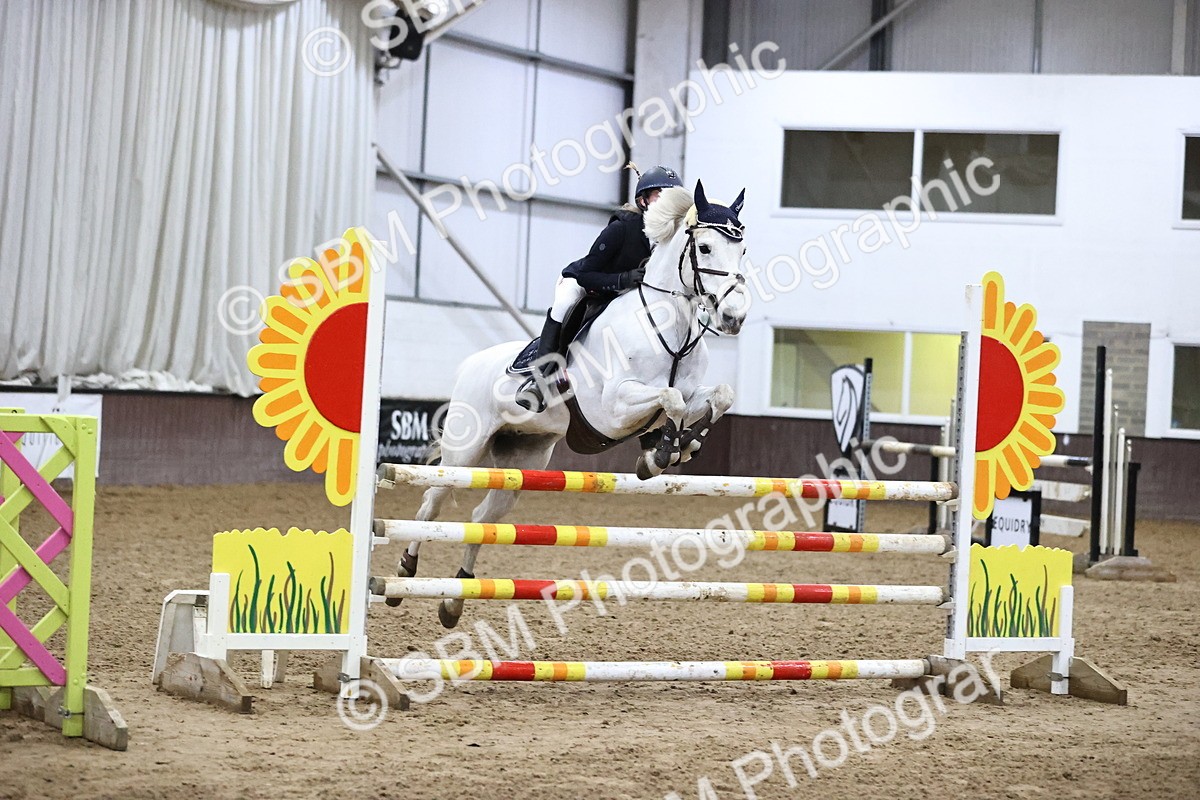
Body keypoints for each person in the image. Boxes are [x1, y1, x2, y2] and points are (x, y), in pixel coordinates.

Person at [515, 165, 684, 412]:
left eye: (672, 195)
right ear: (643, 200)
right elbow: (586, 274)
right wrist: (622, 280)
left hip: (624, 295)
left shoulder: (670, 237)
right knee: (563, 304)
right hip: (585, 283)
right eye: (660, 193)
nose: (667, 200)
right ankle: (538, 381)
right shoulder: (622, 228)